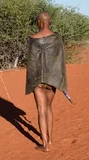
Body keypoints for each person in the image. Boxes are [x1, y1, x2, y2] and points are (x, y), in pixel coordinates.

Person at [25, 12, 68, 152]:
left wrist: (31, 82)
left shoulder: (32, 39)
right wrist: (61, 82)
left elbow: (31, 62)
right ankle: (49, 138)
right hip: (52, 79)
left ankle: (45, 145)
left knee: (41, 110)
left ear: (39, 22)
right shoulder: (57, 38)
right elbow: (60, 61)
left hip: (38, 80)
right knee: (49, 108)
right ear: (49, 21)